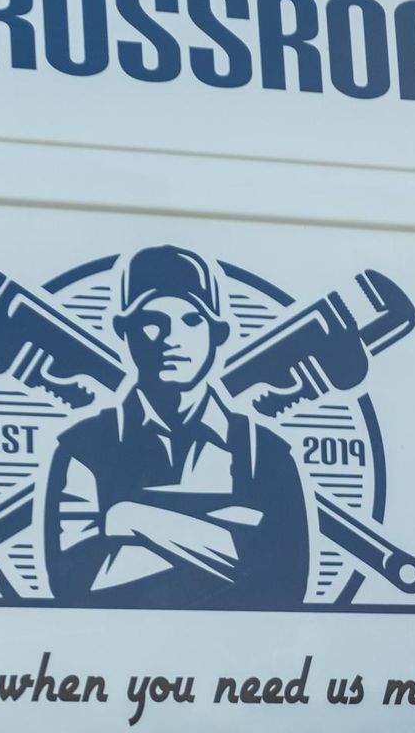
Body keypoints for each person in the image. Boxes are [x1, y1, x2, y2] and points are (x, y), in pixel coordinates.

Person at [42, 245, 310, 608]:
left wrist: (131, 517)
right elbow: (74, 583)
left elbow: (285, 584)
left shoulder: (267, 454)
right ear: (126, 333)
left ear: (219, 334)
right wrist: (230, 541)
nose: (171, 338)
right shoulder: (84, 447)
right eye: (152, 322)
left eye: (192, 320)